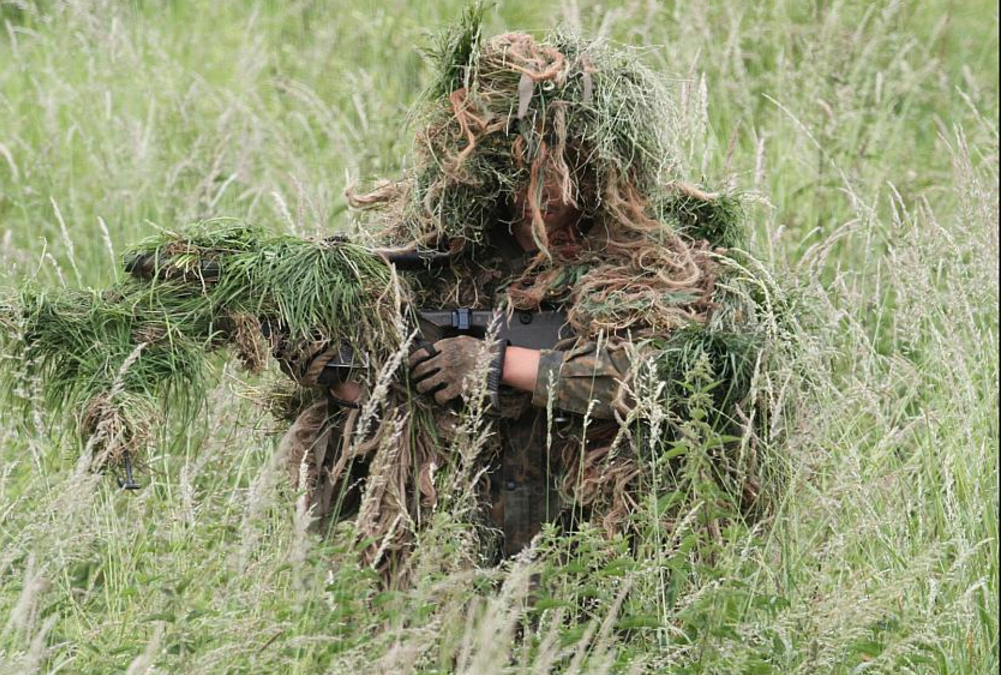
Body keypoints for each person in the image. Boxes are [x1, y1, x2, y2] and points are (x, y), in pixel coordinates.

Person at [274, 30, 761, 578]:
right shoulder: (439, 256)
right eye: (535, 163)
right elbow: (392, 409)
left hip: (588, 554)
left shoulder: (645, 263)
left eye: (575, 164)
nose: (556, 186)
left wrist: (498, 363)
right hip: (457, 550)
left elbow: (671, 381)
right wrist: (343, 382)